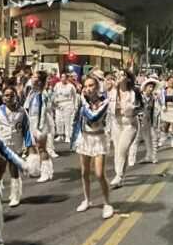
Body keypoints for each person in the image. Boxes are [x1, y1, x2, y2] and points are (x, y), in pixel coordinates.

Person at [70, 75, 114, 220]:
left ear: (97, 86)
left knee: (100, 174)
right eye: (86, 86)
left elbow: (93, 117)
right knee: (84, 172)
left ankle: (107, 203)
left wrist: (83, 102)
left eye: (91, 85)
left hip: (99, 138)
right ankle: (87, 199)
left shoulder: (105, 101)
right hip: (86, 138)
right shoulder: (82, 102)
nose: (88, 89)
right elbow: (78, 119)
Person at [0, 87, 35, 207]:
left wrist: (28, 145)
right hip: (1, 143)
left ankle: (15, 195)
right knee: (0, 169)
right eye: (6, 95)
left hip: (16, 144)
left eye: (11, 95)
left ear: (16, 96)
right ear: (3, 98)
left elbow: (27, 130)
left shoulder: (22, 112)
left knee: (14, 169)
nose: (9, 98)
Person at [108, 71, 141, 189]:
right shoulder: (112, 92)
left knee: (122, 150)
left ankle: (119, 174)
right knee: (118, 151)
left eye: (122, 75)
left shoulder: (134, 92)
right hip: (116, 124)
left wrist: (131, 109)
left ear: (127, 79)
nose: (119, 76)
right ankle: (120, 178)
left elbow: (141, 107)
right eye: (117, 75)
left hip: (130, 124)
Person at [24, 71, 55, 183]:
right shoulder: (32, 92)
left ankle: (46, 172)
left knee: (41, 148)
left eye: (35, 77)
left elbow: (42, 112)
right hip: (32, 121)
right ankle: (38, 169)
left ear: (40, 81)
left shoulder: (42, 94)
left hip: (40, 123)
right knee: (36, 147)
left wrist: (39, 127)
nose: (32, 78)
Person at [137, 78, 160, 164]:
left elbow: (153, 110)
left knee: (152, 138)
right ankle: (131, 159)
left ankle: (152, 157)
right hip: (139, 121)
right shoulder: (140, 96)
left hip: (149, 121)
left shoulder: (153, 98)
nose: (151, 89)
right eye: (150, 87)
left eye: (152, 87)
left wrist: (154, 123)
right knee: (136, 140)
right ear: (145, 87)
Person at [53, 73, 78, 142]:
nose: (62, 78)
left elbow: (75, 97)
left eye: (64, 77)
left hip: (68, 104)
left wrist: (75, 106)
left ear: (67, 78)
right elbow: (54, 94)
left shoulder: (71, 86)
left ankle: (67, 136)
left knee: (67, 121)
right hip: (58, 104)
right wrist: (54, 103)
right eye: (62, 77)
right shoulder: (57, 85)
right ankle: (60, 135)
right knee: (58, 120)